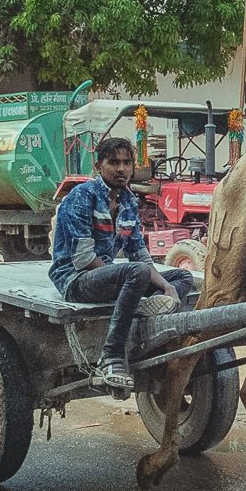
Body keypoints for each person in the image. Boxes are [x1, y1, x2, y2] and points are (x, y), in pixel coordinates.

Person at [48, 137, 192, 380]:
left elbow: (140, 254)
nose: (121, 169)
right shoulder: (82, 197)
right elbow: (83, 258)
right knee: (135, 272)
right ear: (98, 166)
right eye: (113, 162)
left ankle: (149, 304)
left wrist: (167, 288)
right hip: (76, 280)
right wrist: (126, 281)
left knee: (182, 276)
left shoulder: (128, 201)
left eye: (127, 163)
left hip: (107, 277)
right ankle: (111, 355)